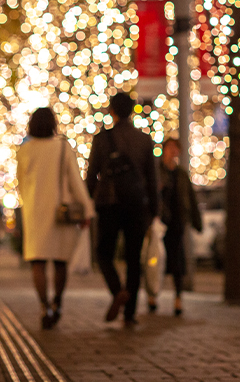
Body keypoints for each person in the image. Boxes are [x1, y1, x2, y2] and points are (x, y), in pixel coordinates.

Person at [16, 107, 94, 329]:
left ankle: (44, 306)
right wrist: (86, 210)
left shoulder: (24, 150)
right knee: (60, 261)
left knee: (37, 262)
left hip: (34, 212)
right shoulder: (62, 147)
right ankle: (57, 303)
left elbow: (21, 183)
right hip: (60, 213)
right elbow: (75, 180)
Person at [86, 92, 158, 326]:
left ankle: (118, 291)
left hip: (109, 203)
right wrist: (154, 210)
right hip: (137, 205)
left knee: (103, 253)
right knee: (134, 258)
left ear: (112, 111)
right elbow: (152, 178)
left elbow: (91, 175)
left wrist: (89, 200)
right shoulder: (144, 140)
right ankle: (130, 313)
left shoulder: (102, 139)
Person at [148, 138, 202, 316]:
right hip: (160, 222)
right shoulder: (157, 171)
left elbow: (190, 198)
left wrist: (196, 221)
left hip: (177, 222)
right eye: (170, 148)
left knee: (177, 260)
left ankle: (178, 298)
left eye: (175, 148)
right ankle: (152, 294)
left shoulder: (180, 174)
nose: (173, 152)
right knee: (155, 259)